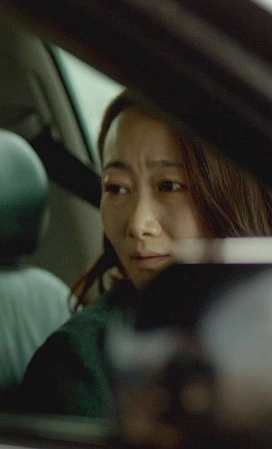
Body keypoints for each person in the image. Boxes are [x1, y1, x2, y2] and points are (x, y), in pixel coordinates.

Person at [15, 89, 272, 417]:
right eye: (116, 188)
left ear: (230, 194)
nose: (138, 225)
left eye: (169, 186)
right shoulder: (79, 365)